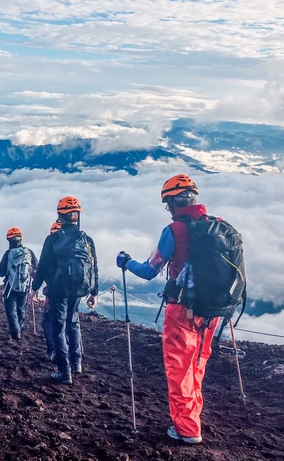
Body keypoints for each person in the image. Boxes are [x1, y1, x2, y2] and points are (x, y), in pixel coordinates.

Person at [117, 174, 220, 445]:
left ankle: (186, 429)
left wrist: (126, 263)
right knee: (197, 365)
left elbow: (150, 270)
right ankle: (192, 417)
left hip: (182, 310)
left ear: (174, 203)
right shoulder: (214, 226)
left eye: (168, 204)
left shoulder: (174, 231)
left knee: (179, 368)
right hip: (211, 311)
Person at [31, 197, 99, 385]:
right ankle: (77, 363)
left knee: (58, 328)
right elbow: (93, 266)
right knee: (73, 323)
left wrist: (35, 289)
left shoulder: (53, 239)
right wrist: (94, 292)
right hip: (79, 289)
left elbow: (43, 266)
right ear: (77, 216)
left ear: (60, 216)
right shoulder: (87, 240)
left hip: (57, 290)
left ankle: (64, 372)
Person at [0, 227, 38, 342]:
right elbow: (36, 268)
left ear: (9, 240)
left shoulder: (8, 253)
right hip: (25, 286)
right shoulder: (29, 252)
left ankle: (15, 333)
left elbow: (2, 272)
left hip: (10, 287)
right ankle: (20, 328)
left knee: (11, 310)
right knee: (21, 308)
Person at [41, 220, 62, 361]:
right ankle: (75, 356)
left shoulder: (50, 245)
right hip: (73, 291)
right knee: (70, 322)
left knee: (49, 322)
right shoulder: (73, 244)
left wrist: (35, 286)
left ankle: (54, 350)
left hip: (53, 291)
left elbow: (43, 267)